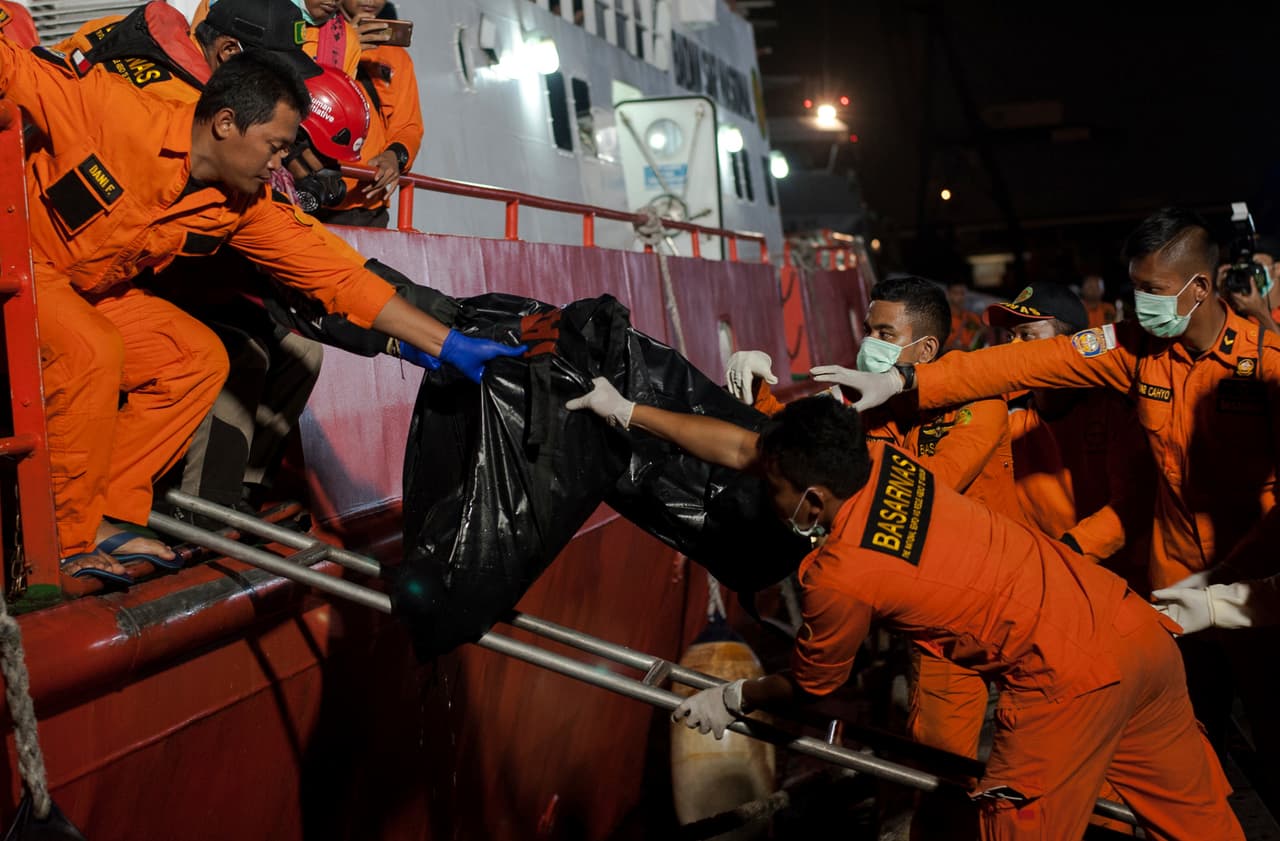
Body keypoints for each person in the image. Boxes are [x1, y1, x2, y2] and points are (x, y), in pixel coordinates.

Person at [565, 384, 1243, 840]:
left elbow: (815, 689)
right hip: (1132, 628)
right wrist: (628, 411)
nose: (762, 493)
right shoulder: (890, 461)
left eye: (774, 489)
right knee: (1197, 823)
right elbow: (745, 449)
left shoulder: (840, 573)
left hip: (1067, 682)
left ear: (812, 502)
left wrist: (731, 697)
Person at [0, 43, 522, 586]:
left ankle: (106, 511)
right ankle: (62, 542)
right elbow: (15, 66)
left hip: (86, 286)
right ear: (226, 123)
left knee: (194, 358)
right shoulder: (110, 110)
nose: (281, 164)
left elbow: (340, 278)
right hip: (16, 263)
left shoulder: (243, 206)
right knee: (91, 352)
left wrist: (448, 345)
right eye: (275, 147)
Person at [819, 206, 1280, 797]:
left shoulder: (1264, 366)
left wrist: (1232, 579)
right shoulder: (1132, 351)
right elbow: (1023, 360)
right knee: (1182, 759)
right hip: (1173, 595)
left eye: (1153, 290)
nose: (1141, 303)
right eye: (1134, 287)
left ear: (1200, 286)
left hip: (1254, 590)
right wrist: (908, 381)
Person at [984, 284, 1153, 579]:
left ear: (1069, 344)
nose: (1012, 349)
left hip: (1119, 578)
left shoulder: (1115, 410)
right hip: (1045, 576)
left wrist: (1066, 554)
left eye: (1027, 336)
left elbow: (1131, 504)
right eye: (1010, 337)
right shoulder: (1007, 414)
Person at [317, 0, 423, 228]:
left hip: (368, 205)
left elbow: (408, 126)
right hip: (308, 195)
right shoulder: (309, 38)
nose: (371, 1)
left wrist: (394, 157)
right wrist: (343, 48)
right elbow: (305, 103)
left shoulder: (396, 57)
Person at [1219, 236, 1280, 335]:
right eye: (1242, 267)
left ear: (1277, 268)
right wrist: (1220, 299)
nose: (1248, 274)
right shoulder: (1234, 312)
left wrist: (1262, 315)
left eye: (1254, 266)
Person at [945, 279, 986, 351]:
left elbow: (983, 338)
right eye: (956, 293)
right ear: (948, 294)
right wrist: (951, 348)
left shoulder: (973, 318)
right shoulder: (942, 317)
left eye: (962, 293)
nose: (960, 297)